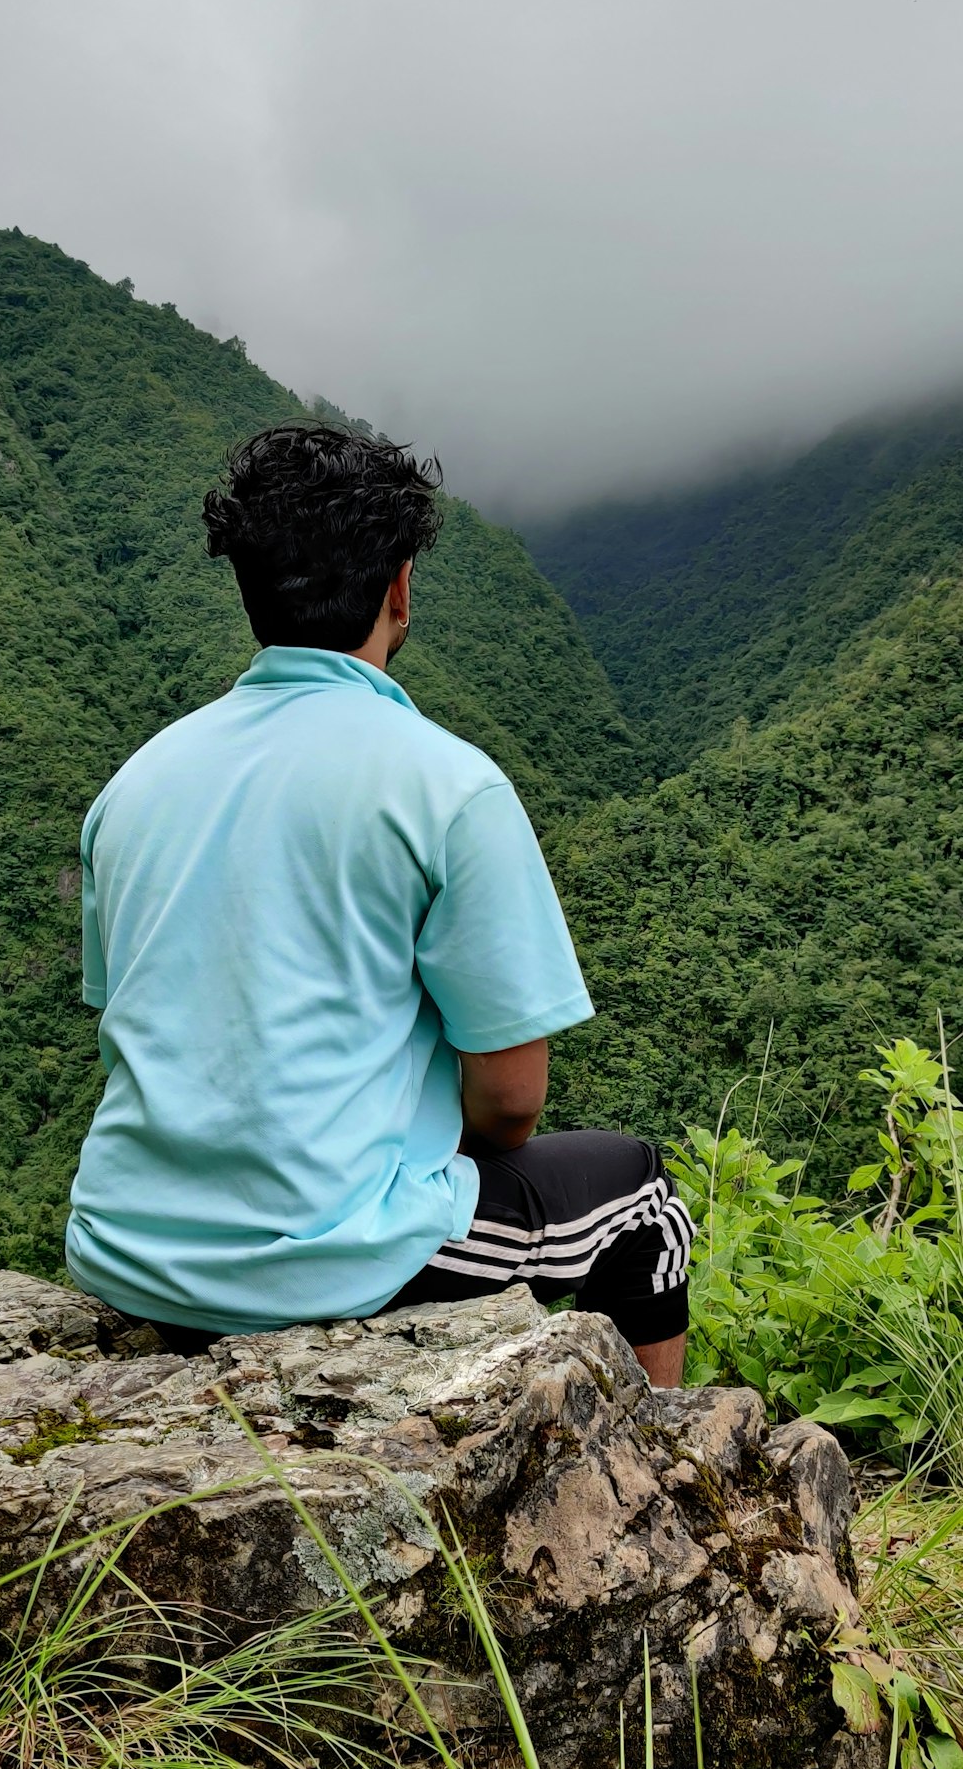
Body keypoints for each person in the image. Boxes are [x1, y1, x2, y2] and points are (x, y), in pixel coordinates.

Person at [66, 426, 692, 1385]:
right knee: (643, 1200)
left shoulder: (134, 786)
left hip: (126, 1251)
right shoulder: (448, 786)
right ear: (401, 586)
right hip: (331, 1257)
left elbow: (137, 1018)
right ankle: (658, 1483)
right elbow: (514, 1103)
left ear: (249, 587)